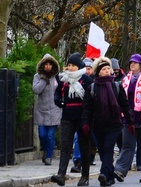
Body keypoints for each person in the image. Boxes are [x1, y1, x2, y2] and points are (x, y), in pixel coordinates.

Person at [82, 57, 132, 187]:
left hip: (114, 124)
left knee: (108, 148)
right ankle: (109, 178)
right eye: (103, 69)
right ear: (98, 72)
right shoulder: (92, 88)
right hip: (97, 125)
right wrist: (85, 123)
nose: (107, 71)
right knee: (103, 151)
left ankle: (103, 173)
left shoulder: (116, 86)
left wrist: (130, 121)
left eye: (108, 68)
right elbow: (87, 108)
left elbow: (125, 105)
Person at [114, 53, 141, 184]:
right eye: (131, 62)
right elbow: (122, 98)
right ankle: (120, 170)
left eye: (135, 62)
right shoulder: (125, 79)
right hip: (130, 119)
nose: (132, 64)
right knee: (127, 145)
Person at [51, 52, 93, 187]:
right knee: (65, 146)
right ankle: (61, 175)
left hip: (82, 117)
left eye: (73, 65)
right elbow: (57, 94)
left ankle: (85, 176)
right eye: (68, 65)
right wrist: (59, 102)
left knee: (84, 146)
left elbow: (91, 97)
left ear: (79, 66)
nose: (70, 68)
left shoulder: (86, 80)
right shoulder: (64, 79)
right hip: (67, 116)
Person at [33, 53, 61, 166]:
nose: (48, 66)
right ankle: (45, 150)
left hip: (55, 110)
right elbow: (36, 90)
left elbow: (62, 89)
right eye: (46, 64)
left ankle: (49, 156)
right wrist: (44, 80)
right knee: (42, 135)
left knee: (50, 135)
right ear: (42, 65)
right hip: (42, 111)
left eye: (50, 64)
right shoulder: (37, 76)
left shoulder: (57, 77)